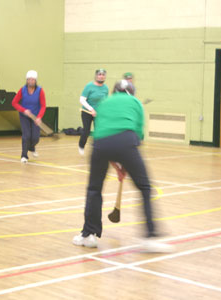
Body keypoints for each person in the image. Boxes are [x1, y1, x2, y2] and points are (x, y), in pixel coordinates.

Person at [72, 80, 175, 253]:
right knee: (144, 187)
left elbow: (103, 133)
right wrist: (124, 166)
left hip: (100, 144)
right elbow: (137, 136)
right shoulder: (136, 103)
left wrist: (117, 165)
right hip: (126, 142)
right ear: (132, 92)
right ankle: (149, 237)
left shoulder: (104, 102)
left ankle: (88, 235)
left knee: (94, 189)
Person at [12, 70, 46, 163]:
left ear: (35, 81)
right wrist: (24, 110)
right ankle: (24, 155)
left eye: (33, 80)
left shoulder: (40, 91)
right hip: (24, 116)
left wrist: (39, 117)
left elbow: (43, 106)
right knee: (26, 135)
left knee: (35, 138)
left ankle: (32, 147)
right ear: (27, 80)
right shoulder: (22, 90)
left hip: (35, 116)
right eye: (29, 79)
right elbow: (14, 103)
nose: (31, 81)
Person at [78, 69, 109, 155]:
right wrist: (91, 109)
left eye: (103, 75)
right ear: (96, 76)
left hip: (99, 113)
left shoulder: (105, 88)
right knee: (86, 131)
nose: (101, 76)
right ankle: (81, 145)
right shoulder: (89, 86)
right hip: (87, 112)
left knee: (99, 131)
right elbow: (82, 100)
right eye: (99, 74)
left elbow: (105, 101)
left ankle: (97, 148)